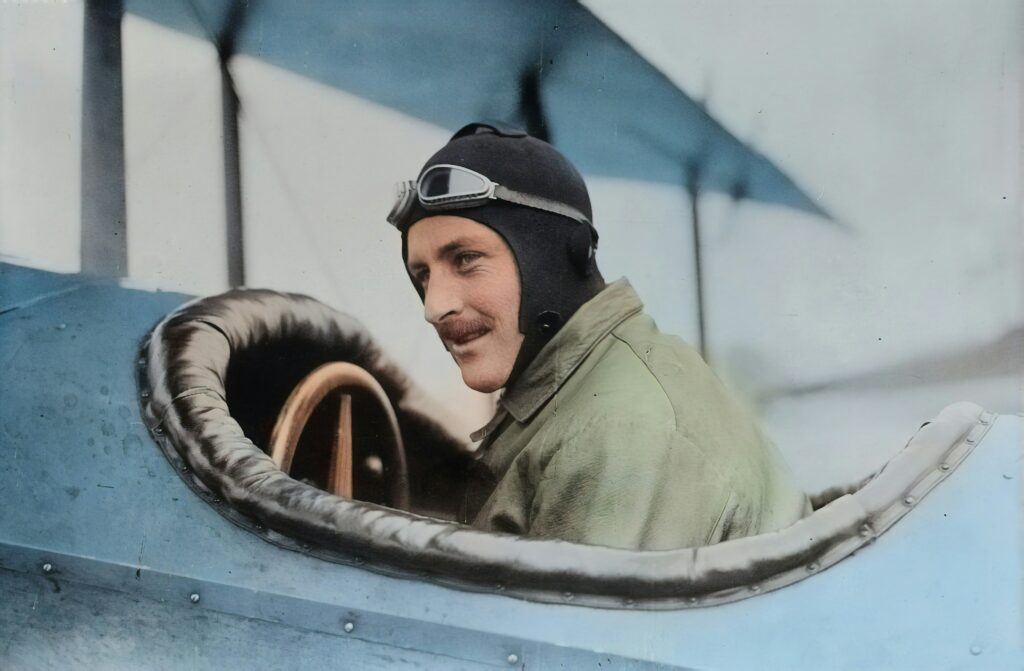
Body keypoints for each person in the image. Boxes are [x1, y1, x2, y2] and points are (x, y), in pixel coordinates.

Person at [387, 121, 811, 551]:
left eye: (466, 259)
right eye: (422, 275)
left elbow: (588, 619)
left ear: (552, 260)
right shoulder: (586, 387)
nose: (434, 306)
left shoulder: (614, 430)